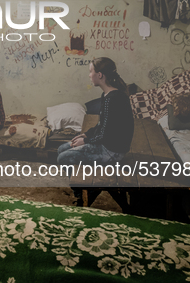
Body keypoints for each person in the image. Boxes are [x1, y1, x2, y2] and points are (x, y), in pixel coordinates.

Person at [57, 57, 134, 206]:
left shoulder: (114, 99)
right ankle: (83, 190)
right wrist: (86, 134)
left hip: (112, 151)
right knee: (61, 148)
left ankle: (82, 193)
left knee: (63, 158)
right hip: (107, 144)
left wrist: (85, 141)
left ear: (100, 75)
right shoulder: (107, 95)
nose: (89, 75)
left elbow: (106, 133)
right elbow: (102, 124)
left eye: (91, 71)